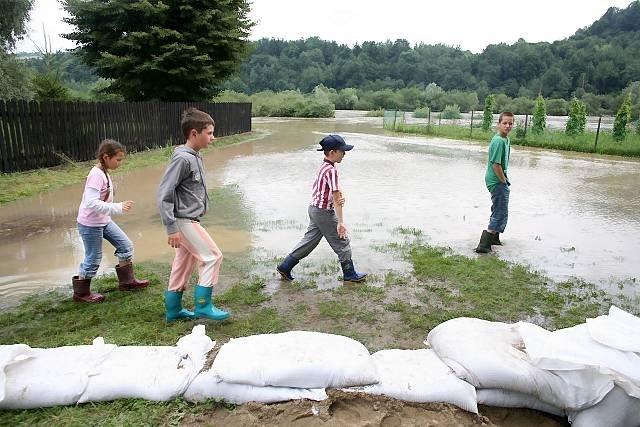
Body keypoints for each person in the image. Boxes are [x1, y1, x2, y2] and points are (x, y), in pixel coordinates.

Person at [157, 107, 229, 322]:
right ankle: (203, 306)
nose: (213, 137)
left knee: (183, 264)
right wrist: (171, 228)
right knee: (212, 257)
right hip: (183, 221)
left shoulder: (195, 156)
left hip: (189, 219)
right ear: (194, 133)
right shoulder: (182, 159)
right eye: (209, 133)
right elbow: (164, 193)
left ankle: (173, 310)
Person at [277, 134, 367, 283]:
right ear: (332, 152)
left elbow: (328, 191)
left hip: (314, 209)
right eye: (342, 151)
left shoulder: (323, 167)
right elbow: (336, 195)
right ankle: (349, 274)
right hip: (324, 212)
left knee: (309, 241)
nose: (344, 154)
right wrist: (340, 222)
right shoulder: (332, 170)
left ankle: (285, 266)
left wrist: (337, 197)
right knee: (342, 241)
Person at [73, 139, 149, 303]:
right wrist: (117, 207)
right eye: (118, 159)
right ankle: (81, 294)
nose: (120, 163)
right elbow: (91, 203)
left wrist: (114, 208)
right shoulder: (96, 175)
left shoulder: (104, 171)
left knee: (125, 245)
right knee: (93, 258)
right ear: (106, 157)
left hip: (103, 220)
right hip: (90, 224)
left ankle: (127, 283)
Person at [475, 112, 514, 253]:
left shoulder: (505, 139)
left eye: (510, 123)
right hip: (496, 180)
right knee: (500, 211)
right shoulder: (498, 141)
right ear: (499, 124)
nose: (508, 126)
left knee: (498, 208)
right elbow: (496, 165)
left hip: (499, 178)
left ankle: (494, 238)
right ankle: (483, 245)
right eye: (505, 123)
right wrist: (503, 181)